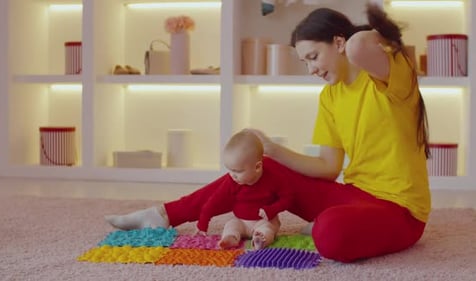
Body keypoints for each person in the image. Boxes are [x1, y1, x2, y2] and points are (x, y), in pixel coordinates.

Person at [105, 3, 431, 263]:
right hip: (356, 195)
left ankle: (334, 223)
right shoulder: (329, 97)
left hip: (400, 211)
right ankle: (162, 215)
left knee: (331, 234)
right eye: (304, 62)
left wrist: (365, 31)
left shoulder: (389, 77)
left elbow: (361, 44)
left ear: (340, 43)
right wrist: (271, 149)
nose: (312, 69)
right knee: (261, 168)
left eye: (313, 57)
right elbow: (328, 168)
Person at [107, 130, 294, 250]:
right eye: (229, 170)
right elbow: (211, 202)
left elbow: (287, 198)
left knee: (268, 228)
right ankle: (230, 239)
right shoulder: (233, 181)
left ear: (258, 166)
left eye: (237, 171)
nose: (232, 175)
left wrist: (271, 210)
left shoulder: (273, 179)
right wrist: (202, 224)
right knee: (231, 225)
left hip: (263, 219)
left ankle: (261, 240)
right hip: (241, 220)